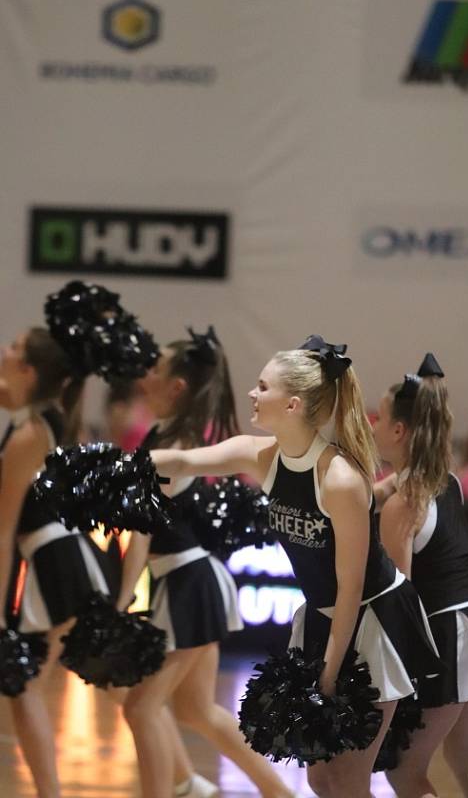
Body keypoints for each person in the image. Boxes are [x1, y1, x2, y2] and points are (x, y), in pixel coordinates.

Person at [147, 335, 442, 798]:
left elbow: (352, 586)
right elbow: (183, 460)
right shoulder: (264, 456)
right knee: (320, 777)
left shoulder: (340, 478)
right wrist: (116, 465)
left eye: (263, 387)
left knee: (348, 778)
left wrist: (327, 674)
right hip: (325, 617)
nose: (253, 394)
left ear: (293, 405)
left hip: (374, 621)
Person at [117, 327, 302, 798]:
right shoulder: (168, 435)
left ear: (177, 386)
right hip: (188, 581)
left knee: (140, 708)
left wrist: (118, 605)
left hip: (190, 583)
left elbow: (139, 536)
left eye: (154, 370)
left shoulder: (172, 445)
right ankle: (276, 792)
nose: (144, 379)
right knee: (195, 711)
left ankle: (174, 790)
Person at [372, 353, 468, 798]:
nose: (372, 426)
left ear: (399, 430)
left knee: (403, 771)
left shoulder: (404, 503)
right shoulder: (449, 480)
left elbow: (397, 596)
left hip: (453, 636)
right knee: (466, 760)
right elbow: (390, 489)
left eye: (380, 418)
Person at [0, 327, 113, 798]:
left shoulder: (31, 433)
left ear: (29, 370)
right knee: (23, 688)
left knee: (22, 687)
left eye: (13, 348)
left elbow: (3, 528)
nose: (4, 348)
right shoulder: (45, 415)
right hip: (65, 557)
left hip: (52, 565)